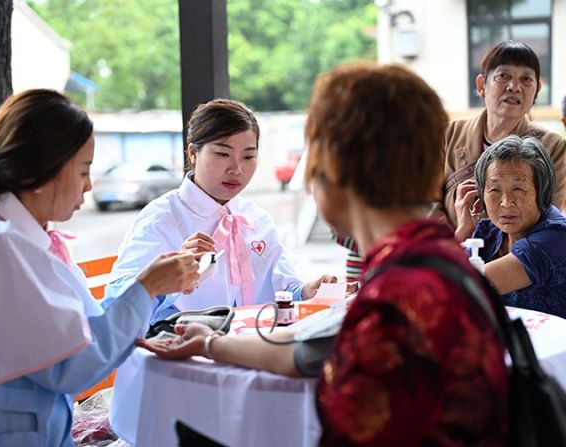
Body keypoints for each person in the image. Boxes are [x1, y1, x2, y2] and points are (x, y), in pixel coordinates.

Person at [140, 62, 509, 446]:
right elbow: (309, 351)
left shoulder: (394, 300)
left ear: (333, 169)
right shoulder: (436, 264)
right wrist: (209, 342)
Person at [0, 89, 199, 445]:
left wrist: (148, 302)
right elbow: (74, 364)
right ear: (40, 173)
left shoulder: (20, 238)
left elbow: (80, 331)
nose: (89, 185)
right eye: (83, 170)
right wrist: (146, 288)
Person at [105, 98, 336, 323]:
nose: (236, 169)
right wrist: (173, 273)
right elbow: (117, 305)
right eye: (222, 154)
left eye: (248, 156)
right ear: (193, 154)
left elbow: (282, 288)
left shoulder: (256, 219)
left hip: (251, 346)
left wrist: (306, 291)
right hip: (186, 351)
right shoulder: (162, 218)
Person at [435, 40, 566, 227]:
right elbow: (427, 201)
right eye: (503, 76)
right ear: (481, 85)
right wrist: (453, 244)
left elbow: (548, 222)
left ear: (537, 90)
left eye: (526, 79)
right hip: (451, 249)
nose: (514, 86)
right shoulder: (449, 134)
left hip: (516, 255)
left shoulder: (553, 146)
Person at [455, 135, 566, 319]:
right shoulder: (487, 233)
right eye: (494, 190)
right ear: (481, 194)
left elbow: (463, 288)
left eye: (519, 189)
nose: (506, 203)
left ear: (542, 191)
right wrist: (462, 233)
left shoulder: (557, 236)